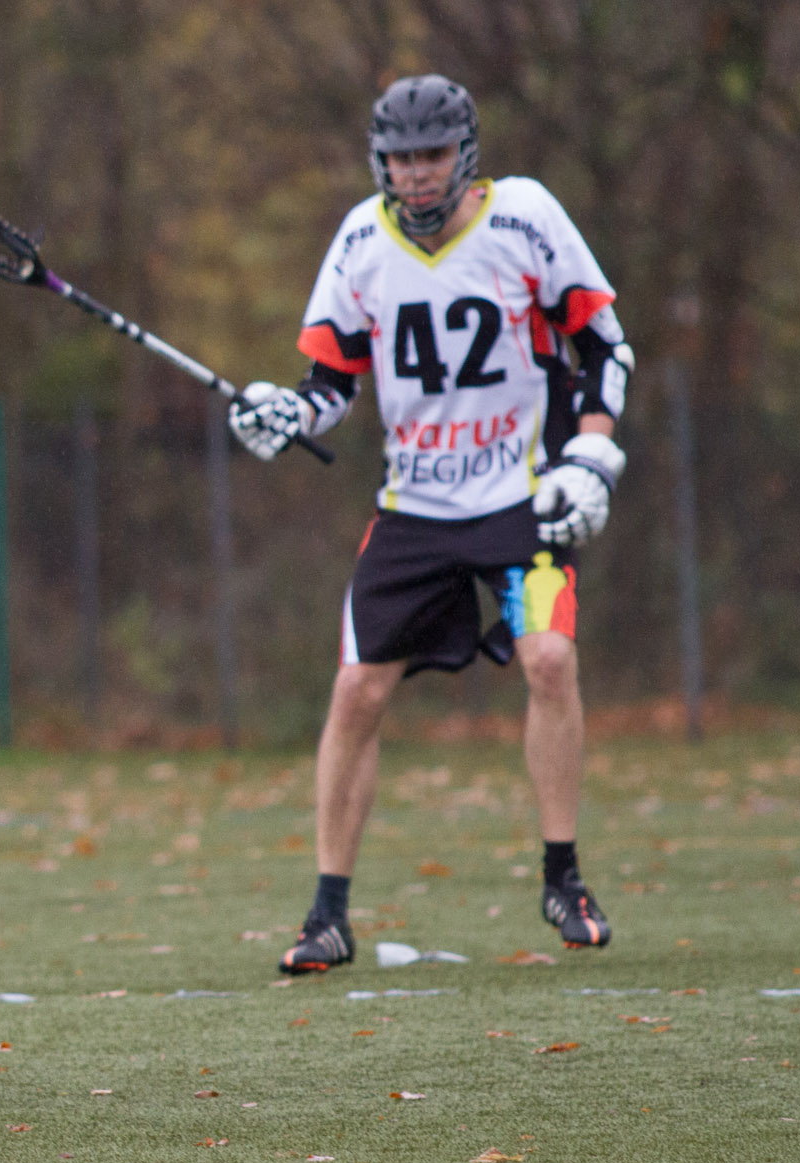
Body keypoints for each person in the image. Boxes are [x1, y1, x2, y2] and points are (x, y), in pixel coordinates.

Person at [228, 74, 635, 972]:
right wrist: (287, 415)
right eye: (401, 158)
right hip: (414, 508)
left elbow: (602, 342)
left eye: (432, 155)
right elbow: (332, 382)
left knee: (550, 658)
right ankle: (329, 911)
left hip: (522, 500)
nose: (416, 174)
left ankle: (563, 875)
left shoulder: (525, 216)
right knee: (357, 693)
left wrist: (590, 454)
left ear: (465, 154)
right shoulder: (360, 240)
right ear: (381, 161)